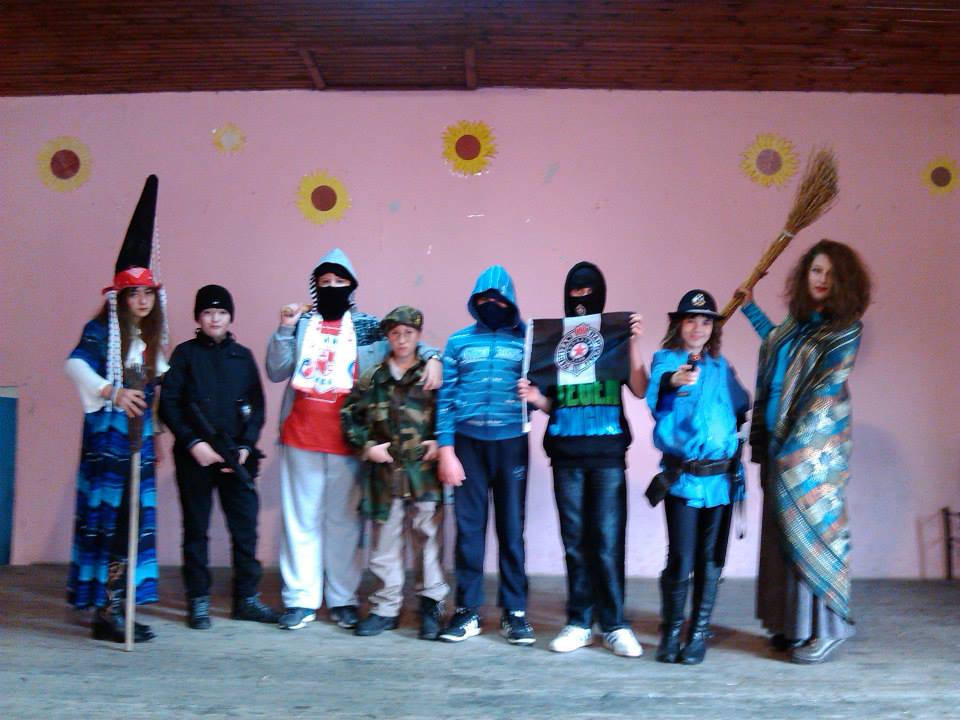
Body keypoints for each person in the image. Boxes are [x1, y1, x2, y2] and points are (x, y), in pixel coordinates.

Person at [266, 248, 442, 631]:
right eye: (324, 282)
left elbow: (405, 341)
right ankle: (300, 600)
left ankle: (343, 599)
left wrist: (434, 357)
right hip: (300, 435)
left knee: (345, 522)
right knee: (300, 521)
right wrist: (283, 330)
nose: (332, 287)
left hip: (350, 439)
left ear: (351, 286)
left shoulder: (367, 326)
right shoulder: (302, 323)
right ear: (315, 287)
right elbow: (276, 370)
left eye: (339, 281)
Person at [738, 239, 870, 664]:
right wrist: (749, 307)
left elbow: (823, 392)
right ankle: (790, 626)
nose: (822, 279)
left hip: (810, 454)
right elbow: (775, 345)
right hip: (778, 444)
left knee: (813, 534)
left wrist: (796, 448)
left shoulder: (844, 330)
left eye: (831, 273)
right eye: (816, 270)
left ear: (844, 281)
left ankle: (828, 629)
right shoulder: (796, 326)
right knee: (781, 540)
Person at [516, 261, 647, 657]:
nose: (581, 298)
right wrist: (535, 397)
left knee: (607, 542)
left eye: (588, 291)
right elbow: (552, 401)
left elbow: (640, 388)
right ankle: (579, 622)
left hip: (608, 455)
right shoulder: (554, 341)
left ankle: (615, 623)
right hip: (565, 455)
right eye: (575, 291)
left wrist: (633, 341)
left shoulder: (614, 336)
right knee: (575, 543)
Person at [65, 175, 167, 643]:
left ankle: (119, 606)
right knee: (111, 522)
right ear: (120, 297)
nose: (142, 301)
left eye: (148, 293)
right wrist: (113, 393)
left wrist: (156, 433)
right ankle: (106, 615)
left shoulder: (149, 339)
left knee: (131, 524)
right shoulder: (100, 332)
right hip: (109, 444)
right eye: (134, 294)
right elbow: (74, 366)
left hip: (138, 444)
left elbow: (154, 389)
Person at [159, 285, 278, 629]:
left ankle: (247, 599)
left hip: (237, 457)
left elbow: (257, 407)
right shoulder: (184, 355)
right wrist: (193, 442)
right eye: (208, 312)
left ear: (230, 317)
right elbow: (170, 404)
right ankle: (198, 600)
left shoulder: (243, 357)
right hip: (195, 457)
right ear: (198, 317)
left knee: (245, 530)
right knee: (196, 529)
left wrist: (245, 447)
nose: (215, 319)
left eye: (222, 312)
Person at [645, 289, 749, 664]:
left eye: (706, 321)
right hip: (684, 481)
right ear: (678, 324)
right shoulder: (666, 362)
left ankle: (698, 632)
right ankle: (672, 631)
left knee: (710, 560)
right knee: (681, 558)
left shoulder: (721, 367)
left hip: (721, 481)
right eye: (691, 320)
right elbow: (658, 400)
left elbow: (741, 405)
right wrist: (675, 381)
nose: (698, 328)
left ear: (713, 328)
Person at [435, 265, 534, 646]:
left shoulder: (528, 341)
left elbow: (543, 392)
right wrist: (446, 450)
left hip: (512, 445)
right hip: (467, 446)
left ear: (511, 302)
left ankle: (515, 612)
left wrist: (534, 395)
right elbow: (445, 399)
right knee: (469, 530)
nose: (492, 304)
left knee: (512, 530)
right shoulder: (458, 342)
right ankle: (467, 610)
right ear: (474, 302)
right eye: (484, 299)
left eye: (499, 299)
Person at [341, 306, 449, 640]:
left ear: (418, 335)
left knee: (428, 540)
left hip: (424, 473)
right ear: (387, 337)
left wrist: (442, 442)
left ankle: (431, 605)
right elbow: (349, 416)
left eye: (408, 333)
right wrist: (366, 447)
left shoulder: (432, 374)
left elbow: (450, 411)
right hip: (385, 477)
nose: (402, 340)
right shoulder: (373, 378)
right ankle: (385, 608)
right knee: (384, 545)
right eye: (395, 334)